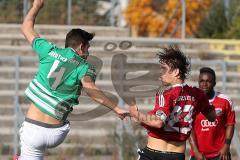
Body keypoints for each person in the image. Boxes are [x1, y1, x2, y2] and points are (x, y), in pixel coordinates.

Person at [19, 0, 128, 159]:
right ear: (82, 46)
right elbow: (91, 90)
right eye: (88, 48)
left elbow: (26, 27)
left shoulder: (48, 51)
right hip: (56, 132)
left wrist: (36, 6)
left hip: (33, 128)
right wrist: (117, 108)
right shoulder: (84, 66)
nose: (88, 53)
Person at [129, 46, 216, 160]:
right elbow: (212, 117)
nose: (161, 73)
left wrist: (135, 114)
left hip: (153, 154)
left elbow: (158, 122)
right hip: (177, 155)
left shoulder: (165, 93)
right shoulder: (198, 94)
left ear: (176, 72)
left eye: (163, 69)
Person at [189, 67, 235, 160]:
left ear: (214, 83)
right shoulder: (192, 102)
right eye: (201, 81)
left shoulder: (225, 101)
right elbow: (189, 128)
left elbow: (230, 124)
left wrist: (226, 146)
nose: (204, 84)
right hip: (199, 155)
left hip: (220, 154)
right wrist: (196, 152)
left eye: (208, 81)